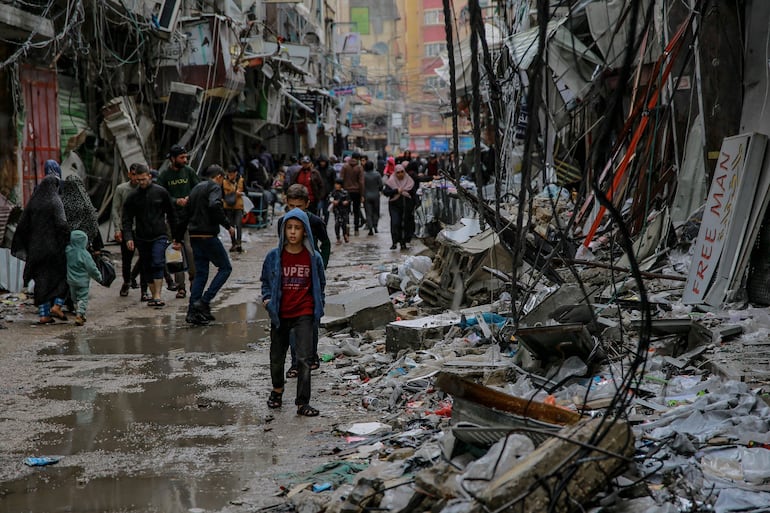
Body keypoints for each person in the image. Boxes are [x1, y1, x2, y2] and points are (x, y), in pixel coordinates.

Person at [260, 208, 325, 417]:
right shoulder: (274, 256)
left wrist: (318, 306)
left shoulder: (313, 258)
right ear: (283, 231)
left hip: (304, 314)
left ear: (305, 231)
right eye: (289, 228)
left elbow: (320, 284)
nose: (293, 232)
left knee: (304, 358)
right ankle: (277, 391)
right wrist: (267, 299)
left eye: (298, 228)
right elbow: (265, 282)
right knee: (276, 358)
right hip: (280, 314)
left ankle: (302, 403)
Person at [277, 184, 330, 377]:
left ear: (308, 204)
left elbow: (326, 243)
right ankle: (294, 363)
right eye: (291, 206)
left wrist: (321, 265)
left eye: (300, 206)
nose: (296, 211)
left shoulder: (315, 221)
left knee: (311, 318)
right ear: (286, 204)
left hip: (312, 277)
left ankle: (310, 356)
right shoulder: (283, 222)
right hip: (291, 276)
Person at [178, 165, 235, 325]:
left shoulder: (195, 188)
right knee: (225, 268)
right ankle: (204, 301)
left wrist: (177, 237)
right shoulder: (214, 187)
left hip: (194, 236)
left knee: (201, 274)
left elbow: (185, 214)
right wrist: (227, 225)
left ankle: (192, 312)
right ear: (219, 177)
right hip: (208, 236)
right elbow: (214, 205)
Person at [122, 164, 184, 308]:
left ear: (149, 176)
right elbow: (126, 219)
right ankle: (154, 295)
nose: (141, 183)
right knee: (147, 266)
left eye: (143, 179)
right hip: (141, 236)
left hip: (159, 234)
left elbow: (172, 215)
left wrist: (177, 237)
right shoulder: (133, 197)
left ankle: (157, 295)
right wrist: (128, 237)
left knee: (157, 262)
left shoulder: (161, 192)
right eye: (139, 180)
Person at [11, 174, 70, 324]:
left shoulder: (34, 202)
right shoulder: (55, 201)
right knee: (59, 278)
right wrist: (68, 238)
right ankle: (57, 305)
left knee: (40, 281)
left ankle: (44, 315)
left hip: (36, 250)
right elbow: (62, 224)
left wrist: (28, 244)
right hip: (53, 250)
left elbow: (23, 225)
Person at [157, 144, 199, 299]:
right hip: (173, 220)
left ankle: (194, 281)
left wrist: (190, 198)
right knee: (176, 252)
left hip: (189, 218)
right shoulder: (164, 176)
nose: (185, 160)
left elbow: (198, 189)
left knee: (190, 250)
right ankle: (181, 287)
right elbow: (160, 196)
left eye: (185, 157)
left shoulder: (189, 172)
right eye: (182, 157)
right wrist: (175, 201)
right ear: (173, 159)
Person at [112, 164, 144, 298]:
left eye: (138, 175)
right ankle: (126, 282)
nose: (136, 178)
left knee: (145, 256)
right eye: (134, 174)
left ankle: (133, 277)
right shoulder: (122, 189)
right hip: (126, 228)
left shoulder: (144, 189)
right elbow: (115, 209)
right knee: (127, 259)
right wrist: (117, 229)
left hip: (142, 228)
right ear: (129, 174)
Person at [65, 230, 102, 326]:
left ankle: (77, 310)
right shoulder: (85, 254)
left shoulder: (68, 250)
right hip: (83, 282)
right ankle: (80, 314)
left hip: (71, 281)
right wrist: (98, 277)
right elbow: (92, 268)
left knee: (74, 298)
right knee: (83, 298)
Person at [383, 164, 415, 251]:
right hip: (394, 206)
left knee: (404, 224)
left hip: (406, 206)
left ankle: (403, 242)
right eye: (398, 173)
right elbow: (386, 192)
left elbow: (413, 193)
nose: (400, 174)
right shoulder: (391, 181)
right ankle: (394, 242)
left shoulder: (409, 181)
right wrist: (396, 190)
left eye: (402, 172)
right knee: (395, 223)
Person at [340, 152, 365, 235]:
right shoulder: (359, 168)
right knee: (356, 211)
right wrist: (362, 194)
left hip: (346, 191)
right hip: (357, 192)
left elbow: (341, 179)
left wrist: (342, 190)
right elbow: (361, 182)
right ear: (358, 158)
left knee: (346, 211)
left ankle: (347, 228)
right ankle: (356, 228)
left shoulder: (345, 166)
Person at [223, 165, 245, 252]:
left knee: (239, 224)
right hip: (228, 206)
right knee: (230, 226)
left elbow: (245, 191)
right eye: (229, 174)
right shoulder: (224, 180)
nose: (230, 176)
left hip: (238, 206)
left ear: (236, 173)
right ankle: (233, 243)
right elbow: (221, 192)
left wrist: (240, 193)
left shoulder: (241, 180)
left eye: (232, 174)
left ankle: (239, 244)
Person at [363, 160, 383, 236]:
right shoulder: (377, 174)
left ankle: (370, 228)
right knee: (376, 212)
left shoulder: (363, 175)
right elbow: (381, 185)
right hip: (376, 196)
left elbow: (362, 185)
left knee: (368, 213)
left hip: (366, 196)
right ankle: (375, 226)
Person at [330, 178, 351, 244]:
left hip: (344, 211)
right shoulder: (333, 192)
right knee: (337, 224)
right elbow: (330, 198)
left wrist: (346, 202)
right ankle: (338, 237)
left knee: (345, 224)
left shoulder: (345, 192)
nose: (336, 185)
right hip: (337, 210)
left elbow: (348, 200)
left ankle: (345, 235)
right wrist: (333, 201)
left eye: (338, 184)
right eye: (335, 184)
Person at [316, 155, 335, 225]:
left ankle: (325, 224)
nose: (322, 163)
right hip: (319, 194)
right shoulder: (316, 170)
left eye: (323, 162)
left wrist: (333, 192)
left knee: (326, 211)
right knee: (318, 210)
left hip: (328, 194)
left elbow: (334, 182)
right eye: (321, 162)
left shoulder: (331, 170)